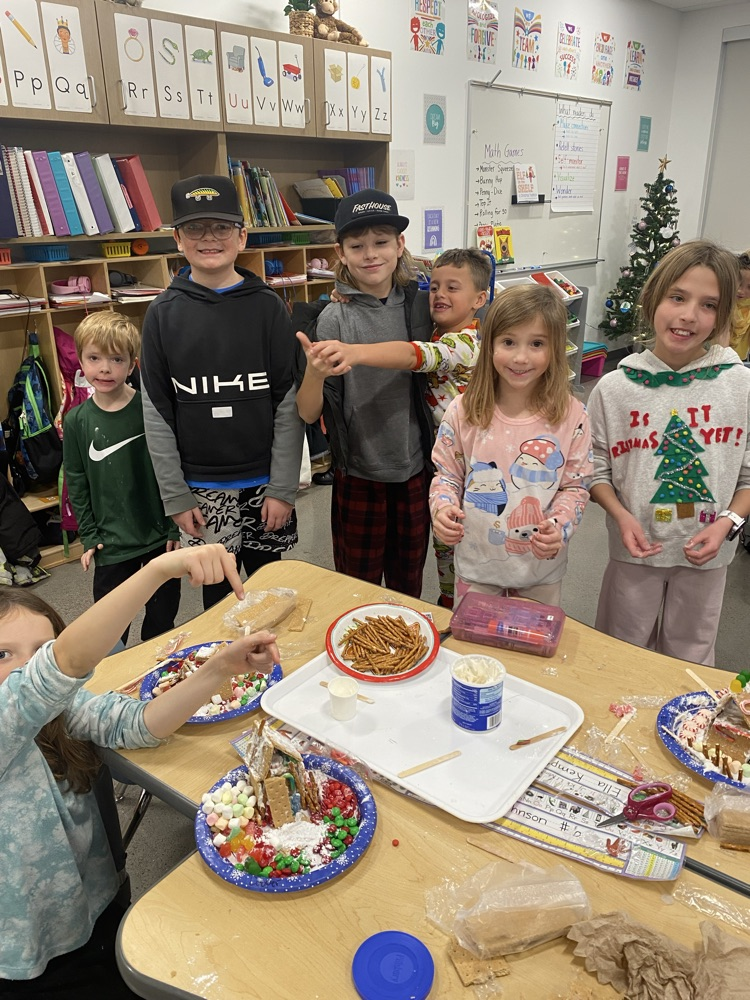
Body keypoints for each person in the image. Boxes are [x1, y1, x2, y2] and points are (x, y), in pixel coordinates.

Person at [0, 543, 278, 994]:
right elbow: (56, 670)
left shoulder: (62, 712)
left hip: (102, 901)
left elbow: (139, 724)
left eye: (40, 649)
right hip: (30, 952)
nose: (25, 668)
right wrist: (157, 571)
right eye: (3, 655)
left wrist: (220, 668)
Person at [140, 174, 304, 609]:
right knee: (217, 596)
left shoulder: (267, 306)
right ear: (177, 238)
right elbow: (156, 413)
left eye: (221, 227)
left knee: (271, 590)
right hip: (201, 488)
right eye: (194, 228)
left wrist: (283, 487)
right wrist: (175, 495)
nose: (208, 238)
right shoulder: (162, 314)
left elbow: (287, 403)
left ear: (242, 235)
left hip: (264, 483)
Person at [588, 240, 750, 666]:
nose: (689, 315)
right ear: (653, 297)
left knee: (691, 654)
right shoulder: (614, 389)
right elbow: (595, 468)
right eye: (677, 297)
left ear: (723, 314)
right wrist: (620, 515)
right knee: (621, 651)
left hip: (709, 552)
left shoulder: (739, 385)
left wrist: (728, 522)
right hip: (635, 550)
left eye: (709, 305)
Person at [302, 246, 492, 607]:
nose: (439, 295)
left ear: (479, 298)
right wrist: (343, 292)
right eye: (435, 286)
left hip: (452, 470)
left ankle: (457, 616)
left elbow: (415, 355)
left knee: (452, 558)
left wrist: (355, 351)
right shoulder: (424, 311)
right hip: (398, 468)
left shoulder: (465, 342)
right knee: (423, 559)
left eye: (453, 288)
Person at [295, 189, 434, 598]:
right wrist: (315, 374)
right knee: (359, 590)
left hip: (416, 472)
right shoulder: (333, 316)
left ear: (400, 245)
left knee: (408, 586)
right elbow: (307, 413)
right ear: (340, 251)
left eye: (381, 243)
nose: (370, 254)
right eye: (357, 246)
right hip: (358, 475)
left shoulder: (421, 307)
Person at [430, 284, 592, 608]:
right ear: (489, 345)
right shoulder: (462, 410)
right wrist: (442, 509)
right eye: (508, 342)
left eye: (536, 344)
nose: (521, 357)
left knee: (531, 652)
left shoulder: (572, 414)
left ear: (556, 348)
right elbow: (447, 475)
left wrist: (560, 526)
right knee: (475, 651)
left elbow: (575, 486)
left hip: (539, 570)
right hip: (476, 565)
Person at [63, 312, 180, 645]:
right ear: (82, 362)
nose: (104, 368)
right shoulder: (76, 421)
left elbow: (171, 469)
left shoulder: (151, 408)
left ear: (132, 365)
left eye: (116, 359)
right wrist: (88, 535)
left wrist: (174, 526)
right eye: (95, 358)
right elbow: (77, 480)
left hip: (159, 539)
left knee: (161, 620)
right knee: (111, 628)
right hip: (111, 545)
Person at [729, 250, 750, 361]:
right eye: (739, 282)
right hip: (713, 354)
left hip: (739, 359)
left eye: (749, 287)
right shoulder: (723, 301)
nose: (741, 291)